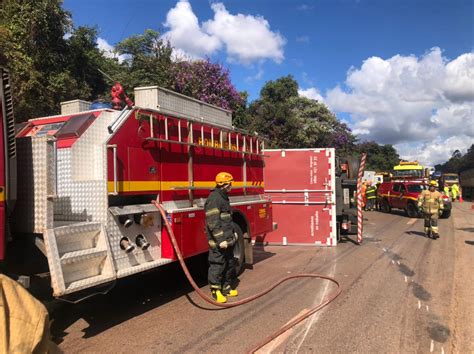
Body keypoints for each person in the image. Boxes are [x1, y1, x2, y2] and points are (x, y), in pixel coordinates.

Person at [204, 172, 239, 303]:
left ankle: (226, 288)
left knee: (229, 263)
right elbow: (213, 222)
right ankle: (215, 291)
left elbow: (227, 220)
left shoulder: (224, 197)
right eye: (230, 183)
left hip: (228, 239)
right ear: (225, 184)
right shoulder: (214, 198)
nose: (232, 186)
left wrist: (233, 233)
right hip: (219, 241)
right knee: (218, 265)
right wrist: (221, 240)